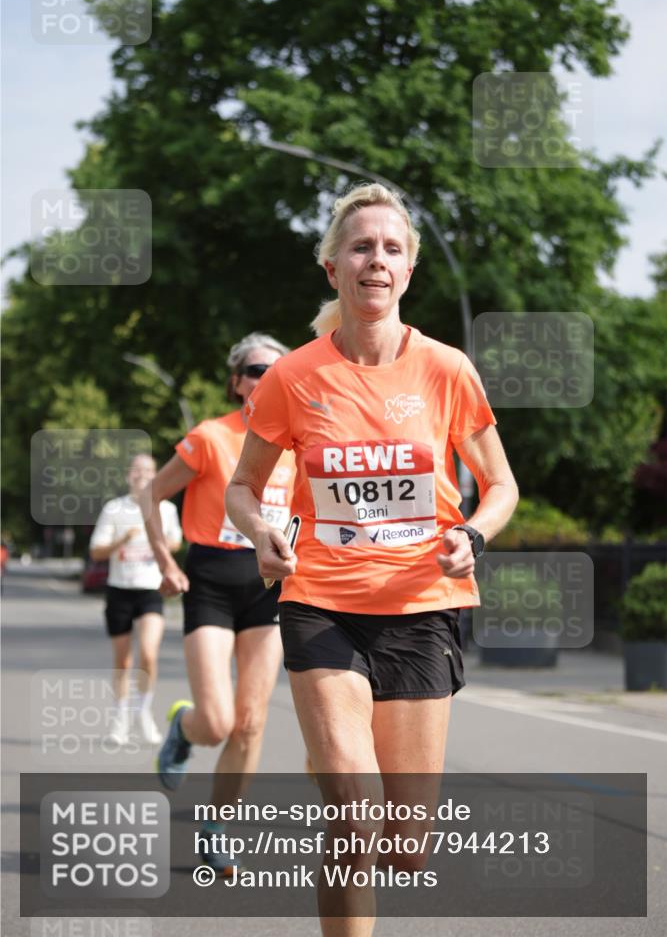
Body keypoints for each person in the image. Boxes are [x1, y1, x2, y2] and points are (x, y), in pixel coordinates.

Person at [225, 183, 519, 935]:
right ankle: (339, 768)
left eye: (391, 248)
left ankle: (335, 760)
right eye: (360, 247)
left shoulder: (446, 370)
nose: (375, 261)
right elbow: (242, 490)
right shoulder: (293, 377)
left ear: (409, 269)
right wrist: (261, 531)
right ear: (332, 267)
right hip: (320, 602)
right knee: (355, 823)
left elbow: (500, 486)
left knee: (407, 849)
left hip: (422, 609)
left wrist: (473, 536)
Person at [139, 333, 296, 873]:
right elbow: (151, 494)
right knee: (218, 720)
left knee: (251, 723)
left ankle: (216, 825)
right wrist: (165, 561)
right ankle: (184, 728)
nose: (264, 379)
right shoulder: (209, 437)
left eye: (275, 371)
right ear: (236, 382)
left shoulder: (299, 445)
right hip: (209, 582)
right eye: (255, 370)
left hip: (269, 590)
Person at [89, 453, 182, 745]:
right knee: (123, 661)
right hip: (119, 590)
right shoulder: (114, 509)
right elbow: (96, 552)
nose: (142, 474)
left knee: (149, 654)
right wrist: (122, 540)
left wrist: (157, 541)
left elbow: (176, 541)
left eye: (148, 470)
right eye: (137, 469)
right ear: (129, 474)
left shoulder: (164, 509)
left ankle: (143, 712)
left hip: (150, 590)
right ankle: (121, 717)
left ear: (156, 475)